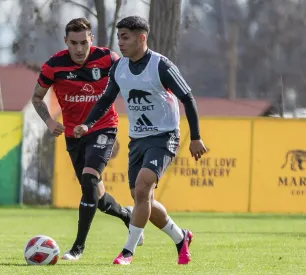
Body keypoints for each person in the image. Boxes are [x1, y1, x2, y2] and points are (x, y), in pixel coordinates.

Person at [74, 16, 207, 265]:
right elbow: (105, 100)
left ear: (141, 38)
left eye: (125, 37)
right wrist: (87, 123)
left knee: (144, 188)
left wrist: (196, 137)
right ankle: (181, 237)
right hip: (138, 140)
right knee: (141, 198)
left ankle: (127, 252)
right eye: (119, 37)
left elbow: (187, 98)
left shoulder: (161, 66)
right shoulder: (119, 68)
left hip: (164, 136)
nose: (120, 43)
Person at [32, 17, 142, 261]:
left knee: (90, 177)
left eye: (83, 42)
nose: (79, 49)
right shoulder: (53, 66)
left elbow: (133, 76)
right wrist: (50, 121)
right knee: (98, 198)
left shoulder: (109, 59)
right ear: (66, 42)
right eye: (73, 43)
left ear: (91, 39)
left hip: (104, 128)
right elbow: (37, 98)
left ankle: (77, 248)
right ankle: (127, 216)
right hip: (74, 136)